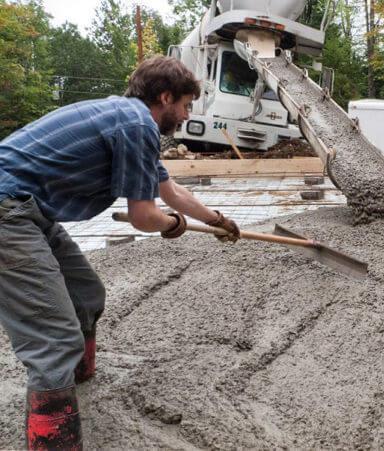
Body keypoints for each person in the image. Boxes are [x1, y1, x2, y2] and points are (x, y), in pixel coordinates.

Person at [0, 56, 240, 450]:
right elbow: (144, 215)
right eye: (185, 105)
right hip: (8, 212)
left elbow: (170, 192)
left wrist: (217, 219)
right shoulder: (136, 125)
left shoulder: (126, 118)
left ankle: (72, 382)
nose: (185, 115)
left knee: (86, 295)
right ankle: (53, 437)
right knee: (54, 337)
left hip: (30, 208)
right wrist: (172, 225)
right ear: (165, 97)